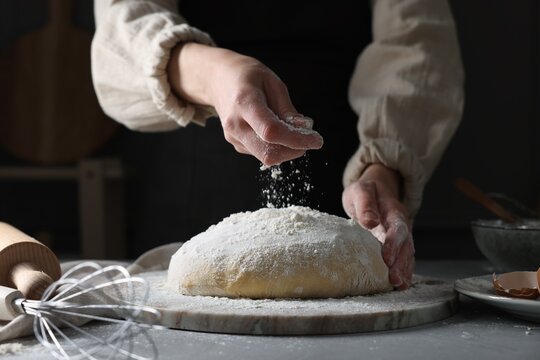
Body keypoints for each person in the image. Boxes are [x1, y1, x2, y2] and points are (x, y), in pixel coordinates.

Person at [91, 0, 464, 290]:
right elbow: (122, 31)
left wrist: (382, 170)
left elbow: (417, 43)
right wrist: (215, 74)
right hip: (196, 179)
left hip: (344, 180)